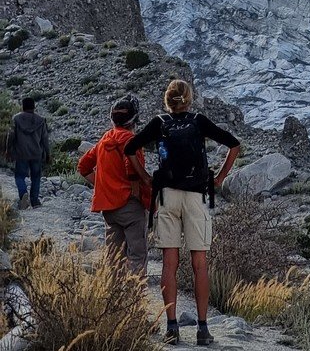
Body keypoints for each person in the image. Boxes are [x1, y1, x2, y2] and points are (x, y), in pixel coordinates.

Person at [125, 80, 240, 346]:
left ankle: (172, 326)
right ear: (189, 99)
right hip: (196, 196)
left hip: (167, 196)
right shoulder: (199, 121)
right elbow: (233, 145)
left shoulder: (159, 122)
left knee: (169, 263)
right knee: (199, 263)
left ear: (167, 100)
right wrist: (220, 178)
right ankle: (203, 328)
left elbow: (129, 148)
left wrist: (145, 177)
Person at [77, 95, 151, 274]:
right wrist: (136, 192)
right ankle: (135, 291)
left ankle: (114, 289)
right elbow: (132, 168)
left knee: (114, 257)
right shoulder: (131, 140)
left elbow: (83, 166)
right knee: (137, 255)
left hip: (109, 208)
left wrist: (103, 185)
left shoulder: (105, 139)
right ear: (134, 119)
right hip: (130, 205)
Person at [7, 98, 50, 210]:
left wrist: (8, 150)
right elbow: (45, 139)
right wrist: (48, 154)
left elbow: (11, 136)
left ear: (23, 106)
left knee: (19, 176)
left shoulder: (16, 119)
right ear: (34, 107)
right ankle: (35, 201)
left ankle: (23, 195)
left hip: (21, 153)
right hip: (36, 153)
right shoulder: (41, 120)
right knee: (36, 177)